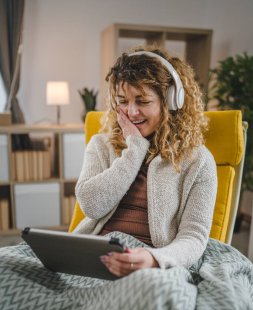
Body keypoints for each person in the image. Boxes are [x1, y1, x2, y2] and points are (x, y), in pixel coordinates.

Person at [73, 45, 217, 278]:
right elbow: (91, 205)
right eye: (122, 100)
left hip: (151, 264)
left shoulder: (198, 161)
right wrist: (135, 150)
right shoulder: (101, 145)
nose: (131, 112)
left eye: (142, 101)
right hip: (94, 255)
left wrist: (153, 259)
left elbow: (194, 237)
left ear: (170, 102)